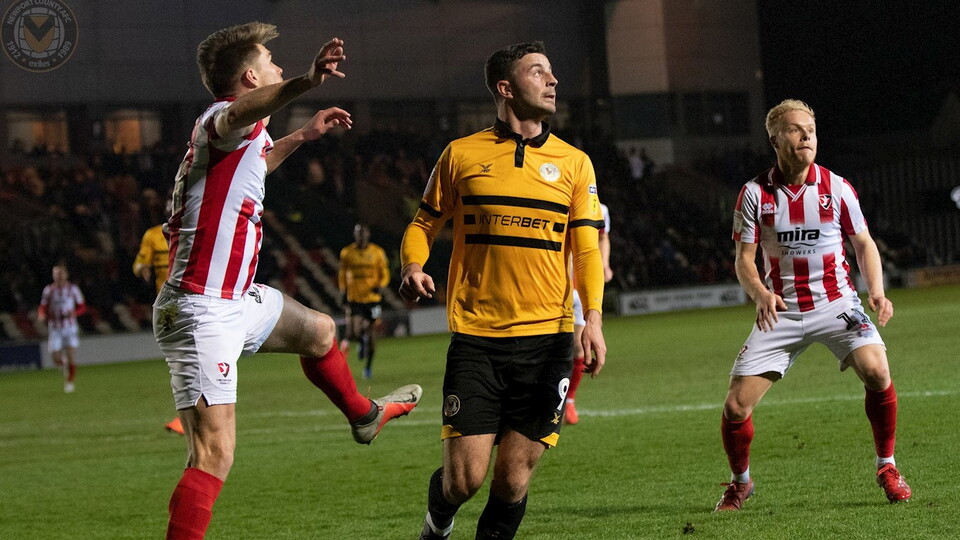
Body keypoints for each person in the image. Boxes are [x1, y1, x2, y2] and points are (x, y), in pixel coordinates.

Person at [154, 22, 422, 539]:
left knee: (319, 331)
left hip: (233, 300)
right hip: (201, 307)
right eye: (271, 62)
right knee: (213, 455)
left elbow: (255, 165)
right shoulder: (219, 119)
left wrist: (301, 136)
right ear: (251, 78)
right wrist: (306, 81)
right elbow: (239, 113)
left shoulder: (245, 137)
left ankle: (364, 416)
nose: (278, 67)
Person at [400, 41, 607, 540]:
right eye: (538, 72)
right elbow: (423, 224)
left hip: (548, 341)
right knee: (464, 480)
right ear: (506, 88)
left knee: (512, 480)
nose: (552, 80)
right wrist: (412, 264)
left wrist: (594, 319)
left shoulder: (575, 163)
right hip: (478, 339)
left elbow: (585, 251)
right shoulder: (461, 154)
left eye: (551, 71)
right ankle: (437, 524)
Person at [715, 99, 911, 511]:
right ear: (775, 140)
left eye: (811, 129)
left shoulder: (837, 188)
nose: (806, 135)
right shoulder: (754, 194)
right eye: (795, 129)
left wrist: (876, 291)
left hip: (837, 304)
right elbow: (744, 260)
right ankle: (740, 483)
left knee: (878, 371)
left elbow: (863, 244)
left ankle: (887, 466)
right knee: (735, 406)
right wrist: (761, 294)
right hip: (781, 311)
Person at [133, 215, 185, 435]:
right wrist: (142, 269)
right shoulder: (153, 235)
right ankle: (188, 415)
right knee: (181, 356)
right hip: (168, 303)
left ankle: (188, 416)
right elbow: (139, 263)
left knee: (186, 355)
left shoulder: (194, 226)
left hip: (194, 297)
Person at [564, 202, 613, 424]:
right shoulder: (554, 198)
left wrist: (605, 264)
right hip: (553, 286)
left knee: (577, 346)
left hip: (579, 289)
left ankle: (569, 401)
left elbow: (603, 237)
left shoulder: (600, 209)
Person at [338, 223, 390, 379]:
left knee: (372, 333)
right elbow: (342, 274)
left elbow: (384, 273)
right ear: (355, 235)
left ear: (368, 235)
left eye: (363, 233)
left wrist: (381, 286)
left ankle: (368, 367)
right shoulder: (347, 252)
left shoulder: (377, 252)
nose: (361, 236)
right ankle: (361, 341)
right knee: (353, 331)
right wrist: (343, 291)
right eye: (358, 233)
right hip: (355, 298)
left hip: (373, 299)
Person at [38, 263, 86, 393]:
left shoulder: (73, 289)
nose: (58, 276)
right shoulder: (48, 290)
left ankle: (70, 381)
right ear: (53, 276)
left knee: (71, 354)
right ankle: (62, 364)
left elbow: (82, 307)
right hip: (55, 328)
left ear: (66, 275)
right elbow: (43, 306)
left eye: (61, 273)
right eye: (56, 274)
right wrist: (41, 314)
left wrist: (74, 313)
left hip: (70, 327)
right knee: (55, 357)